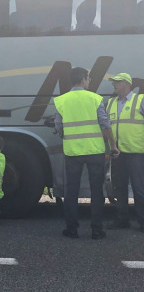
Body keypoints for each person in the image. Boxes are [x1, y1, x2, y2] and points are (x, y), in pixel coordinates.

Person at [54, 67, 119, 240]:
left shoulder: (61, 100)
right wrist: (113, 145)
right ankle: (97, 230)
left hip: (73, 152)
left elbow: (59, 128)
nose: (89, 81)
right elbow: (105, 125)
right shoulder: (95, 99)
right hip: (94, 151)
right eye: (89, 78)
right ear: (83, 79)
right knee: (96, 191)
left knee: (71, 191)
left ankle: (72, 229)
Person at [105, 73, 144, 232]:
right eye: (114, 82)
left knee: (139, 187)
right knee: (119, 187)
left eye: (117, 82)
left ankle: (142, 220)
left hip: (136, 152)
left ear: (127, 84)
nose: (114, 85)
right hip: (117, 153)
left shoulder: (140, 100)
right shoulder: (111, 103)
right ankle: (122, 219)